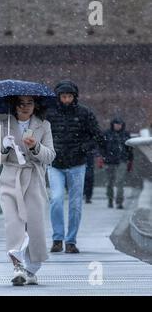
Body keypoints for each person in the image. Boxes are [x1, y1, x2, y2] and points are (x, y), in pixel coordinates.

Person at [0, 95, 56, 286]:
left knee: (34, 225)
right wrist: (4, 147)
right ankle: (17, 266)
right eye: (21, 104)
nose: (26, 107)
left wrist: (35, 146)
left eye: (30, 103)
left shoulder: (43, 126)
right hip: (10, 178)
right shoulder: (3, 126)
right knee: (13, 223)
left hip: (34, 177)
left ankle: (32, 268)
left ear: (35, 105)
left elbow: (50, 156)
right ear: (14, 106)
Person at [46, 80, 106, 254]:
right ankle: (58, 238)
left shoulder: (85, 113)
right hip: (55, 163)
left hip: (77, 164)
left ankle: (70, 241)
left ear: (74, 97)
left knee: (75, 204)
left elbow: (97, 136)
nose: (66, 100)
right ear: (58, 97)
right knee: (56, 200)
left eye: (69, 96)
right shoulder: (49, 114)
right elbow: (40, 134)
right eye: (63, 96)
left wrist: (84, 148)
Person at [100, 117, 133, 209]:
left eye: (120, 124)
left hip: (122, 160)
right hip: (109, 161)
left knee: (120, 181)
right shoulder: (106, 134)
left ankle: (119, 202)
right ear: (113, 124)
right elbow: (101, 147)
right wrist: (102, 157)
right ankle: (110, 199)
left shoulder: (126, 134)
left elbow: (130, 149)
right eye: (116, 124)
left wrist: (130, 160)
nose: (118, 126)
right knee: (110, 182)